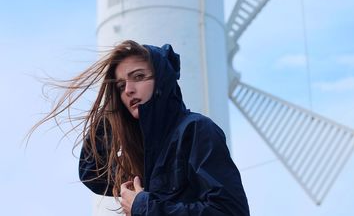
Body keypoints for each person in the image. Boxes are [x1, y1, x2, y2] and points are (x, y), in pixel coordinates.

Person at [32, 40, 250, 215]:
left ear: (162, 80)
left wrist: (145, 207)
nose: (128, 90)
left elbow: (230, 211)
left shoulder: (196, 130)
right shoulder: (144, 151)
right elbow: (92, 173)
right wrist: (111, 110)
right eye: (120, 86)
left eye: (138, 77)